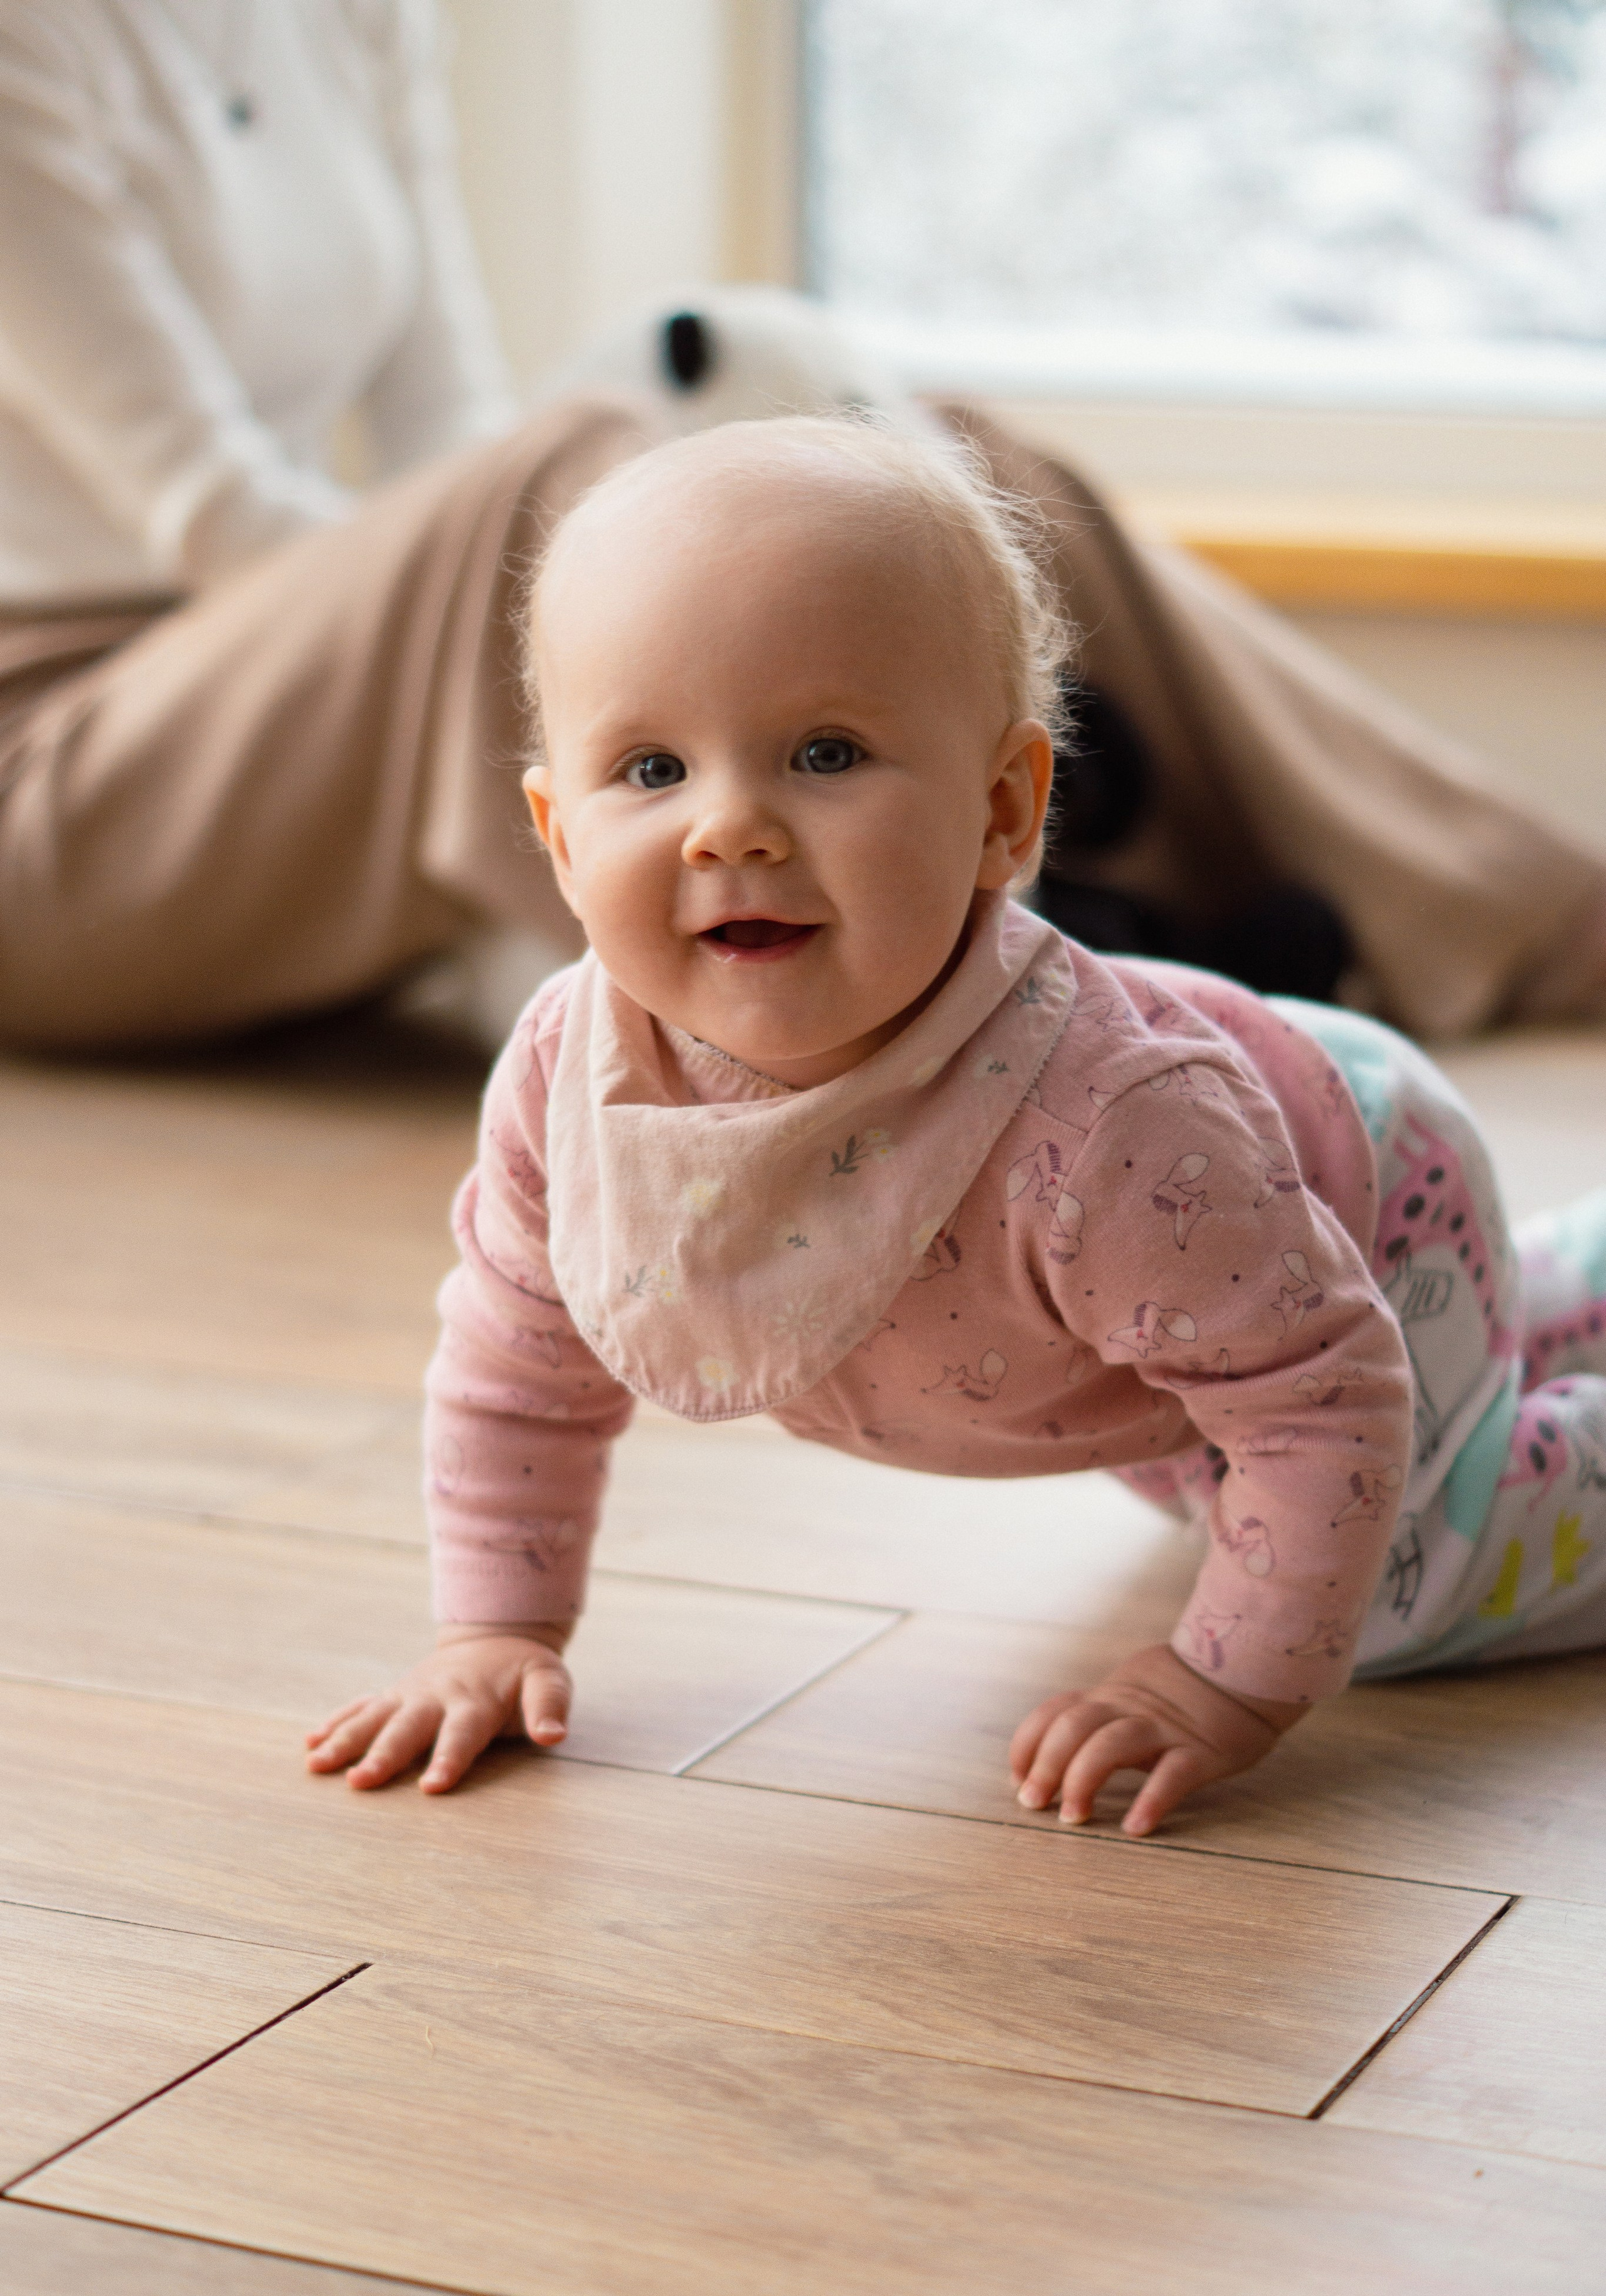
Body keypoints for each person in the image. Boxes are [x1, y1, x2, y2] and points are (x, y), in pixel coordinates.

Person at [305, 417, 1606, 1830]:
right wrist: (495, 1630)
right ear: (557, 839)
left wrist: (1220, 1686)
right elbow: (518, 1364)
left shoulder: (1110, 1128)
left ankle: (1514, 1357)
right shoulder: (572, 1072)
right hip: (1186, 1297)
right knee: (1212, 1480)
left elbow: (1319, 1398)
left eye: (823, 751)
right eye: (653, 771)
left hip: (1354, 1190)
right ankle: (1562, 1287)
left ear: (1004, 811)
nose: (728, 828)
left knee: (1392, 1581)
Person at [3, 8, 1605, 1052]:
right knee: (574, 493)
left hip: (287, 693)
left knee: (942, 477)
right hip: (71, 768)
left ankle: (1531, 912)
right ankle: (878, 1013)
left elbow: (443, 425)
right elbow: (224, 515)